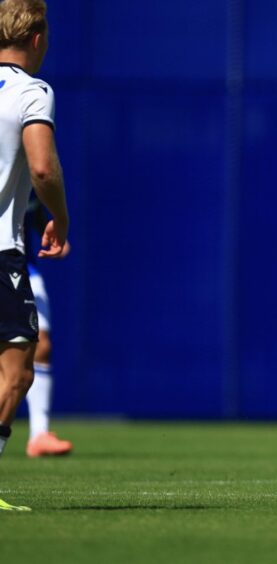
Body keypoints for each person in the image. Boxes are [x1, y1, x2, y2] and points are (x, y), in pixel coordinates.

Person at [0, 0, 70, 511]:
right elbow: (43, 170)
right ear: (39, 39)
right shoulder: (30, 91)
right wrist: (60, 220)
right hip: (2, 248)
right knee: (17, 369)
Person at [24, 198, 72, 457]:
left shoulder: (27, 178)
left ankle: (39, 433)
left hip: (23, 269)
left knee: (41, 344)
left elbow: (35, 210)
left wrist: (54, 230)